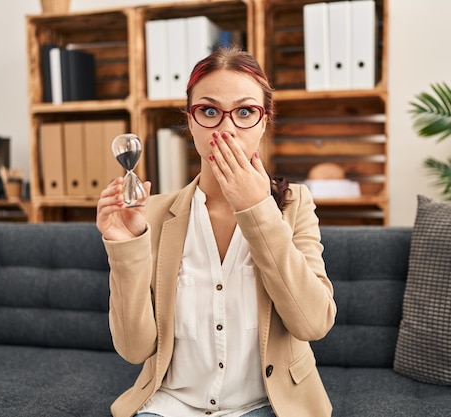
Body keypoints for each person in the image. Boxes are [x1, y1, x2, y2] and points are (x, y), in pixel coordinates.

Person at [96, 46, 336, 417]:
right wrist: (123, 245)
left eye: (244, 112)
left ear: (263, 121)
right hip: (172, 406)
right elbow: (133, 349)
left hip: (266, 406)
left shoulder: (294, 205)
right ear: (190, 122)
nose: (225, 128)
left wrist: (257, 211)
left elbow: (313, 322)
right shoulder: (154, 213)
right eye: (209, 111)